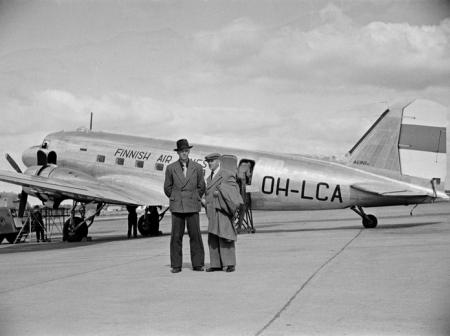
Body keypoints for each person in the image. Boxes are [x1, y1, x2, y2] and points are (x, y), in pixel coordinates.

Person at [164, 139, 206, 273]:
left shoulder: (197, 168)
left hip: (192, 204)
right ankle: (176, 265)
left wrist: (194, 197)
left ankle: (198, 264)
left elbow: (201, 187)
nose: (184, 153)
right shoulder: (171, 168)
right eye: (182, 151)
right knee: (176, 236)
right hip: (177, 206)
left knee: (195, 235)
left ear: (189, 152)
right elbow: (167, 188)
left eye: (186, 151)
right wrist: (176, 197)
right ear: (178, 153)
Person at [204, 153, 243, 273]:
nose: (210, 163)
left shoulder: (226, 174)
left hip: (223, 210)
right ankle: (216, 264)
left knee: (226, 236)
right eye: (208, 161)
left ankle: (230, 263)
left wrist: (220, 192)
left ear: (218, 161)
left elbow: (234, 190)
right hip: (212, 211)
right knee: (213, 238)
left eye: (212, 161)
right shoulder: (209, 178)